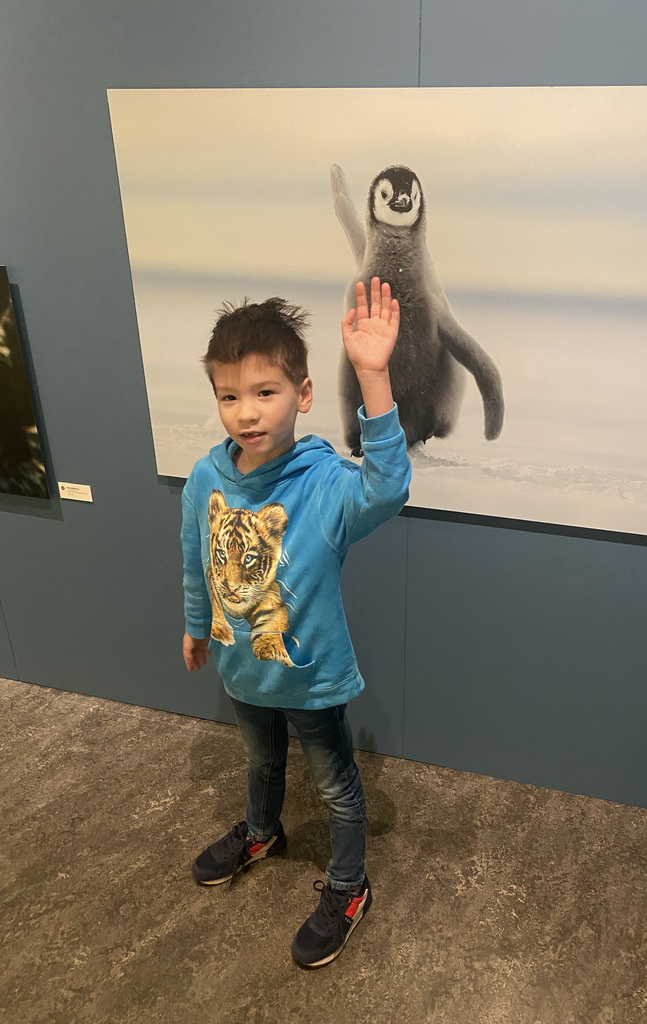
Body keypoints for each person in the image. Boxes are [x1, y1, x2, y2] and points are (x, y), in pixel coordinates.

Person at [181, 277, 410, 968]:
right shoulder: (205, 478)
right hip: (242, 665)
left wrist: (374, 376)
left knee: (336, 784)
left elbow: (388, 487)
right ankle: (261, 831)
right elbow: (199, 561)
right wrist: (196, 624)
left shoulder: (328, 484)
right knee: (258, 759)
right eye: (229, 395)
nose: (246, 413)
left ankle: (348, 885)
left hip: (310, 678)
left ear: (302, 395)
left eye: (265, 392)